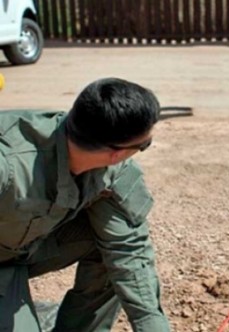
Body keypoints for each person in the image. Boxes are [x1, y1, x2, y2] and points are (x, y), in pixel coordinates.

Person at [0, 78, 171, 331]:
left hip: (22, 250)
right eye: (144, 145)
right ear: (116, 152)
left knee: (108, 250)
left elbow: (129, 252)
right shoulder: (9, 164)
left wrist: (152, 326)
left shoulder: (111, 171)